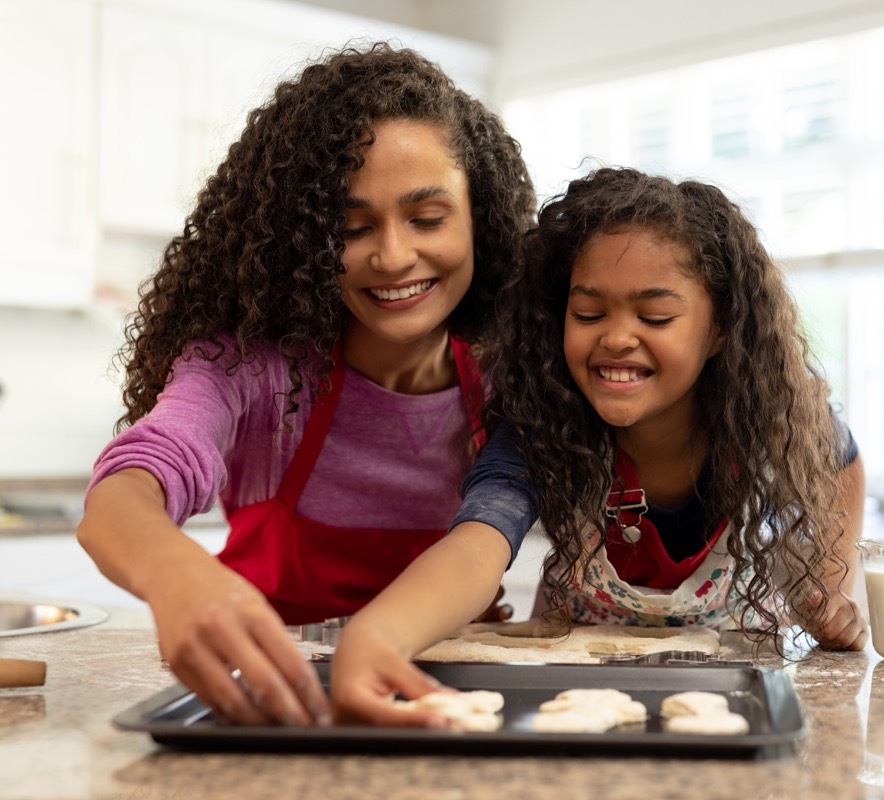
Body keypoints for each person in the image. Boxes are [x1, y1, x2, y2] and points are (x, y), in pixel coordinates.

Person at [76, 43, 539, 727]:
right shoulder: (254, 367)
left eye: (428, 218)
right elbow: (127, 490)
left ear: (483, 219)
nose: (392, 255)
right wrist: (176, 577)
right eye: (351, 227)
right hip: (273, 700)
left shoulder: (510, 380)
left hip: (445, 702)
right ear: (307, 240)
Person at [471, 166, 868, 652]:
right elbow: (475, 543)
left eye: (655, 317)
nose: (616, 338)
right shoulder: (541, 426)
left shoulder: (771, 421)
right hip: (573, 669)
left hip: (733, 673)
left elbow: (840, 454)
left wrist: (828, 586)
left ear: (720, 329)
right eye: (588, 314)